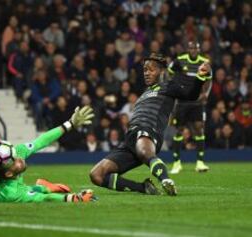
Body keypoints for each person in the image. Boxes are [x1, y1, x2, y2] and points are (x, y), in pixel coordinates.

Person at [89, 53, 211, 196]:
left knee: (144, 151)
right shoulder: (145, 92)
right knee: (96, 175)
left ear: (161, 71)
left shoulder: (168, 86)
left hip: (149, 131)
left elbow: (191, 94)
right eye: (145, 70)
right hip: (130, 140)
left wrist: (200, 78)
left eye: (151, 69)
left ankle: (166, 181)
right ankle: (143, 188)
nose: (146, 73)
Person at [0, 106, 97, 203]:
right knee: (30, 190)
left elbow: (40, 141)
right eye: (15, 161)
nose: (19, 159)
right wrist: (75, 198)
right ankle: (43, 187)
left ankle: (43, 186)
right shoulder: (10, 193)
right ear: (8, 174)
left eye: (15, 156)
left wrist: (70, 124)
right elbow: (44, 199)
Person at [168, 42, 212, 174]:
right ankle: (176, 164)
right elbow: (169, 71)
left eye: (196, 48)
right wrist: (175, 86)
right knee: (179, 130)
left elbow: (209, 78)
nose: (193, 50)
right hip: (182, 101)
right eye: (191, 48)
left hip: (196, 101)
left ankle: (200, 163)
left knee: (199, 129)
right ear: (188, 49)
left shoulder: (204, 61)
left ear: (199, 49)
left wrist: (205, 93)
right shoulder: (180, 60)